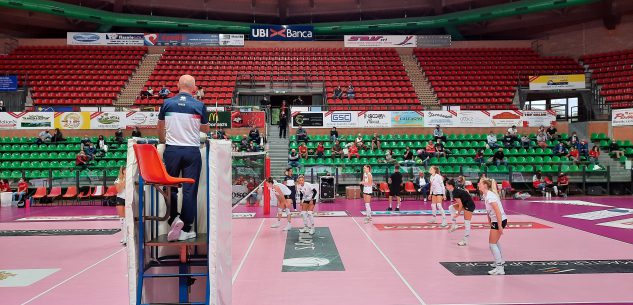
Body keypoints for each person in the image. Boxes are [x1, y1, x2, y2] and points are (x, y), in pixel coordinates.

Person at [158, 75, 210, 242]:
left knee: (170, 188)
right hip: (191, 152)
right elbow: (206, 129)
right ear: (194, 88)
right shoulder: (199, 105)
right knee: (189, 191)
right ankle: (186, 228)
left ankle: (174, 219)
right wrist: (193, 123)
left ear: (177, 85)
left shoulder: (167, 103)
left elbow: (160, 128)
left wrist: (163, 142)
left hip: (172, 151)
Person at [479, 178, 508, 275]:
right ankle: (500, 261)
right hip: (496, 220)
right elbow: (489, 211)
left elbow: (498, 212)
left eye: (480, 183)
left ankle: (500, 268)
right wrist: (489, 222)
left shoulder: (490, 196)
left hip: (499, 220)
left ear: (485, 185)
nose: (478, 184)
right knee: (495, 242)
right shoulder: (485, 195)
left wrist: (499, 225)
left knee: (492, 244)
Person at [446, 179, 476, 246]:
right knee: (451, 208)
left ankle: (465, 240)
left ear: (451, 186)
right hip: (464, 203)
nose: (446, 187)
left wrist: (458, 213)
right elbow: (461, 203)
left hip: (469, 205)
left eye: (447, 185)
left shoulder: (455, 192)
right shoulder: (455, 190)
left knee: (467, 222)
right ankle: (454, 225)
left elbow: (460, 204)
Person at [115, 166, 127, 245]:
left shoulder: (132, 178)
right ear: (122, 171)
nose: (126, 171)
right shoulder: (118, 179)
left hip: (128, 199)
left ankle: (127, 237)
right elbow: (119, 190)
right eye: (125, 170)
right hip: (120, 199)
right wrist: (124, 180)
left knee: (127, 219)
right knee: (122, 219)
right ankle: (124, 237)